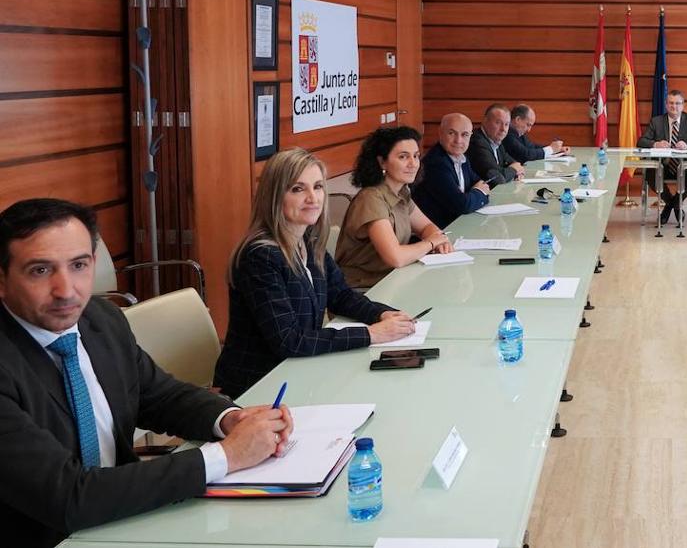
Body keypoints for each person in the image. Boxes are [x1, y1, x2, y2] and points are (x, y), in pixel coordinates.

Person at [0, 198, 293, 548]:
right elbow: (67, 497)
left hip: (127, 520)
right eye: (40, 270)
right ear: (1, 279)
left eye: (78, 265)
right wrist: (226, 456)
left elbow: (160, 396)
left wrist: (230, 419)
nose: (66, 290)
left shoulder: (101, 320)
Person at [214, 148, 415, 399]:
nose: (313, 198)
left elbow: (341, 295)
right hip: (258, 387)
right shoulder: (260, 256)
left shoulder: (307, 239)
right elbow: (289, 340)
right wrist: (371, 334)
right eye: (298, 189)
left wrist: (383, 313)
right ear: (275, 197)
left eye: (318, 187)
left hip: (297, 373)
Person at [334, 126, 453, 289]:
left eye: (416, 156)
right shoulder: (371, 198)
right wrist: (432, 243)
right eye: (403, 157)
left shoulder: (401, 191)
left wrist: (438, 240)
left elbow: (425, 226)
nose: (413, 163)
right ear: (382, 161)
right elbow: (396, 258)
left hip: (391, 281)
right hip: (362, 291)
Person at [638, 89, 687, 225]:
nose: (674, 106)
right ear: (666, 104)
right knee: (650, 173)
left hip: (684, 165)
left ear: (683, 105)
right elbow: (641, 142)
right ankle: (675, 205)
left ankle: (669, 206)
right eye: (670, 103)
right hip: (663, 165)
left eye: (677, 103)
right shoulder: (656, 121)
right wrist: (656, 144)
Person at [414, 113, 492, 229]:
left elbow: (480, 183)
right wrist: (480, 193)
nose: (458, 140)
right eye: (452, 133)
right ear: (440, 132)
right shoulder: (436, 163)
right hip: (439, 231)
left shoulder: (461, 157)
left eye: (464, 135)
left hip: (457, 226)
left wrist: (475, 193)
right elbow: (462, 205)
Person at [468, 103, 526, 185]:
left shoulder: (495, 140)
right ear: (485, 121)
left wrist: (517, 169)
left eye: (506, 124)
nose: (503, 129)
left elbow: (513, 162)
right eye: (498, 123)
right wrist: (514, 170)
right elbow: (497, 179)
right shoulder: (477, 142)